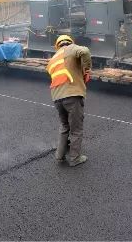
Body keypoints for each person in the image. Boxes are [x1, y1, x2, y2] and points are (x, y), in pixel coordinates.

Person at [46, 35, 92, 167]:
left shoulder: (53, 59)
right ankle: (75, 158)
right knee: (76, 129)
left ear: (57, 45)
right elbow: (85, 51)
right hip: (72, 95)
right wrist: (86, 69)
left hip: (56, 97)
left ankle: (59, 155)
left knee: (64, 126)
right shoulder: (71, 48)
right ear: (69, 42)